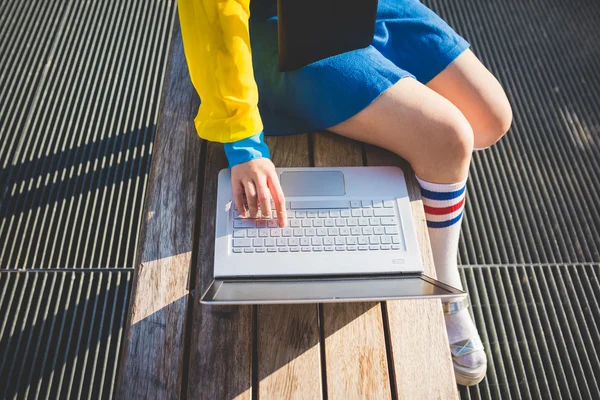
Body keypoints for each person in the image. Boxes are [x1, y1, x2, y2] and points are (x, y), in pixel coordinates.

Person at [179, 0, 512, 386]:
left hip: (356, 7)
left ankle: (377, 106)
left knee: (490, 117)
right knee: (449, 137)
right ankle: (445, 284)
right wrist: (243, 144)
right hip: (275, 23)